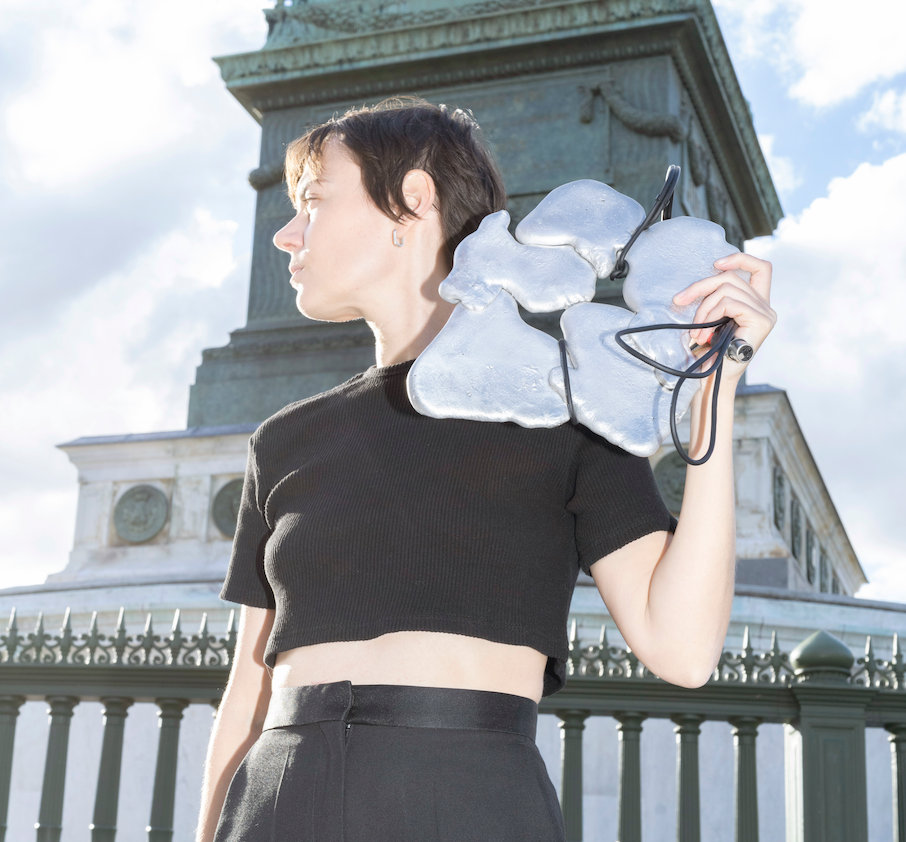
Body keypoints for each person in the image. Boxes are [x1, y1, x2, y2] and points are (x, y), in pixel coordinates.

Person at [195, 96, 776, 842]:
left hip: (471, 801)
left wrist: (716, 390)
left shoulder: (567, 410)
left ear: (413, 199)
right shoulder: (284, 439)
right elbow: (249, 693)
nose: (286, 233)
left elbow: (683, 649)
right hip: (279, 798)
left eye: (313, 202)